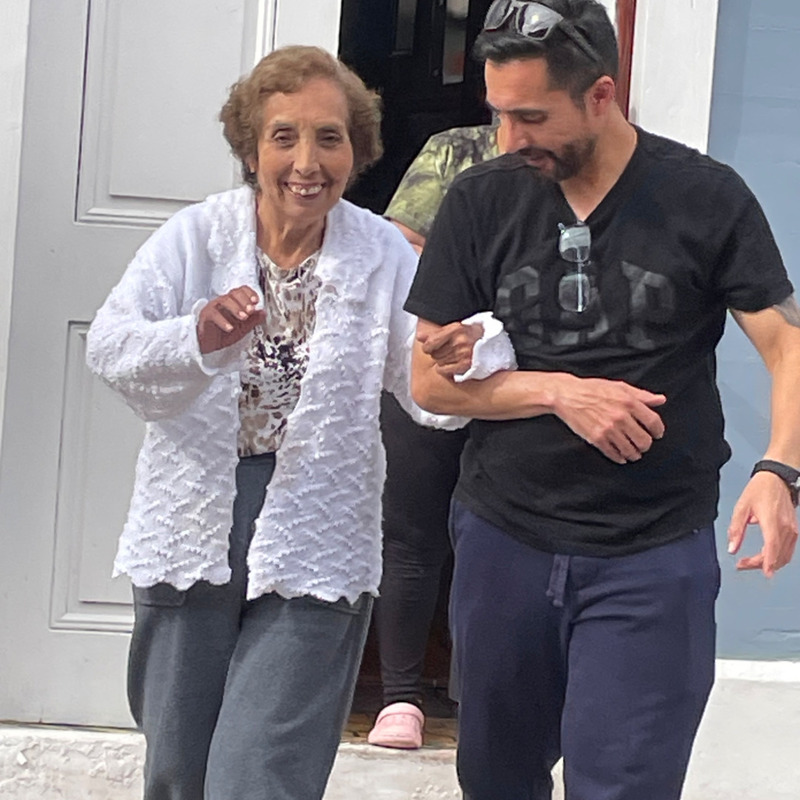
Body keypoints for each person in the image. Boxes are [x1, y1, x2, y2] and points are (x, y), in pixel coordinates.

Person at [405, 2, 800, 799]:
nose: (509, 138)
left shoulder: (705, 198)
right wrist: (560, 393)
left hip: (651, 553)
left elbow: (787, 345)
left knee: (626, 786)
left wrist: (779, 471)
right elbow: (427, 380)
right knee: (495, 779)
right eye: (499, 114)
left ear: (600, 95)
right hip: (505, 538)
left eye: (531, 117)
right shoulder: (480, 200)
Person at [85, 45, 488, 800]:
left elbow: (428, 388)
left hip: (318, 521)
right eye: (284, 137)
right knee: (177, 768)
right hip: (196, 518)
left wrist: (466, 355)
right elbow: (110, 346)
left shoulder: (382, 252)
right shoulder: (196, 237)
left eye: (330, 137)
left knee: (261, 774)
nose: (308, 162)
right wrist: (195, 335)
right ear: (250, 149)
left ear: (357, 150)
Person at [367, 121, 508, 750]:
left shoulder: (583, 165)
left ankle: (476, 697)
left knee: (497, 539)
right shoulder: (456, 149)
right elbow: (401, 241)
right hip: (428, 361)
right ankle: (399, 697)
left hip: (521, 377)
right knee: (410, 534)